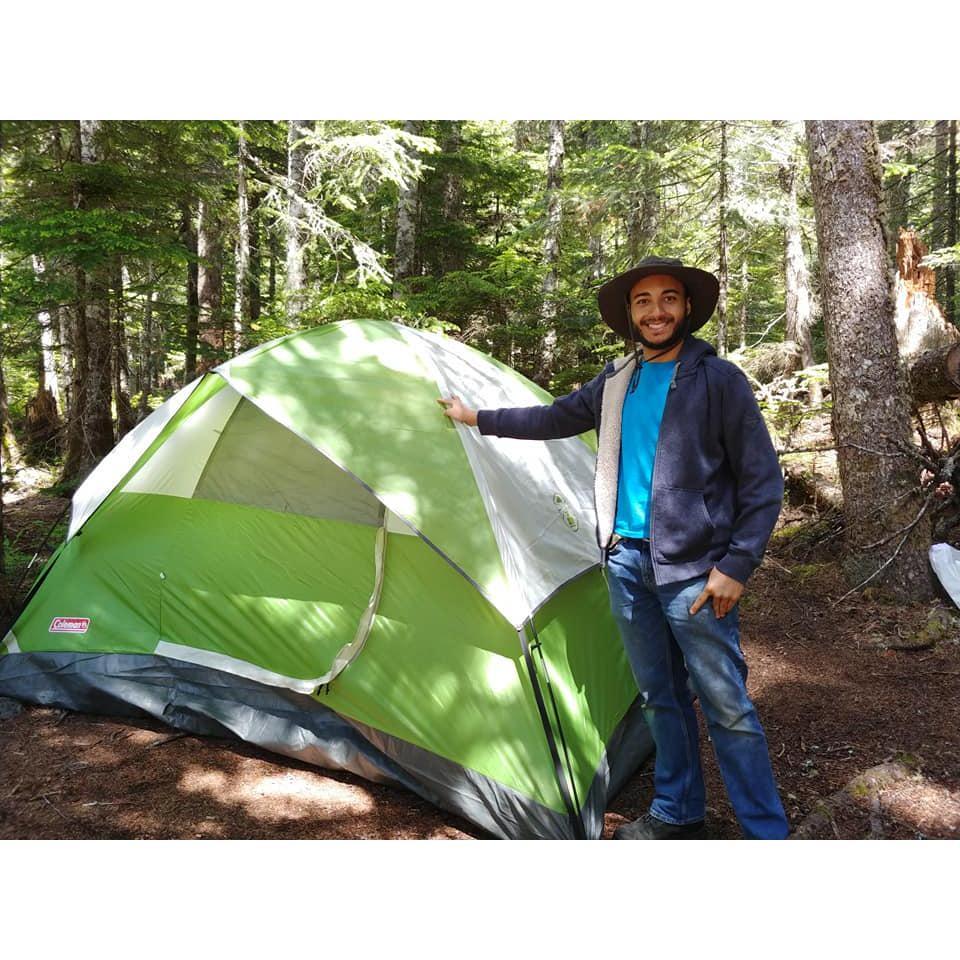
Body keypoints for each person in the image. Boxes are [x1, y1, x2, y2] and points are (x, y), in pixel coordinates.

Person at [439, 255, 789, 840]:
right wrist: (477, 417)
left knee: (727, 706)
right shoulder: (617, 379)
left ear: (686, 308)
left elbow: (763, 480)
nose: (657, 311)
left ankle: (766, 833)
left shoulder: (717, 380)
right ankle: (678, 813)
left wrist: (737, 565)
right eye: (643, 301)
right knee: (659, 700)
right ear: (630, 314)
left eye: (668, 298)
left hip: (695, 573)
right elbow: (555, 417)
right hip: (625, 562)